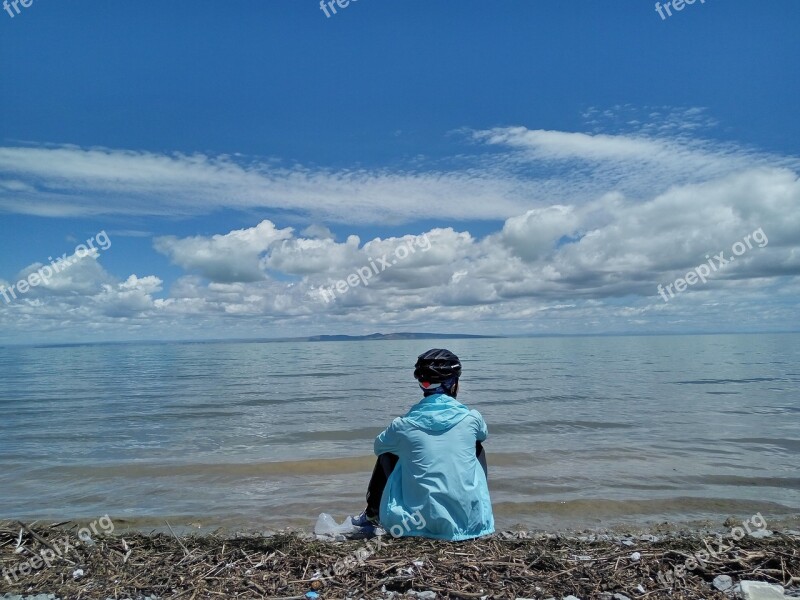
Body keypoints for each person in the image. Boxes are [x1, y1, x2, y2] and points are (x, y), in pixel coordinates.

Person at [352, 349, 494, 540]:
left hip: (410, 525)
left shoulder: (402, 426)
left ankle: (372, 515)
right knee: (476, 447)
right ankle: (472, 508)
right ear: (453, 384)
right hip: (470, 524)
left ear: (423, 385)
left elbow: (378, 447)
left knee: (388, 451)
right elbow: (482, 433)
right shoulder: (472, 419)